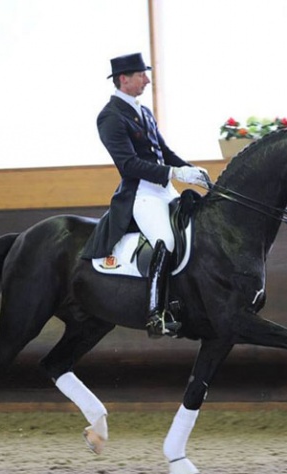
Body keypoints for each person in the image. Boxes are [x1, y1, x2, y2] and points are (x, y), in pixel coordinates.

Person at [83, 52, 209, 338]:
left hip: (165, 191)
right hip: (141, 195)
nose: (147, 80)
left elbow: (164, 153)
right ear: (123, 79)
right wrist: (173, 173)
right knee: (165, 240)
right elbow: (128, 164)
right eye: (141, 75)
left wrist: (191, 170)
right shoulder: (110, 116)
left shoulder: (144, 112)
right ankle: (156, 314)